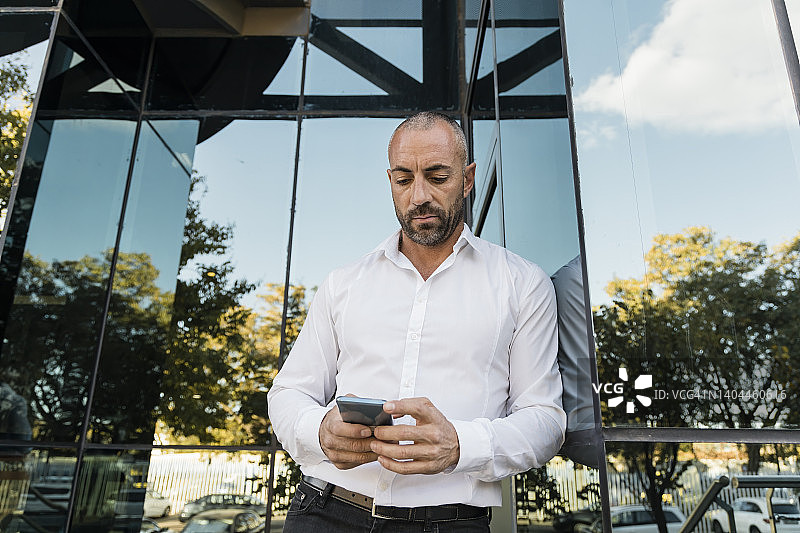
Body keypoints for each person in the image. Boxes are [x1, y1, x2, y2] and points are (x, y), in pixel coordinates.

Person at [268, 111, 565, 532]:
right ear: (390, 180)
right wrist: (318, 430)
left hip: (449, 523)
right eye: (404, 179)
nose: (419, 196)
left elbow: (546, 421)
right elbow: (287, 392)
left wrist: (461, 445)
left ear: (467, 179)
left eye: (437, 176)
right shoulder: (343, 283)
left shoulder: (522, 283)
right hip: (324, 512)